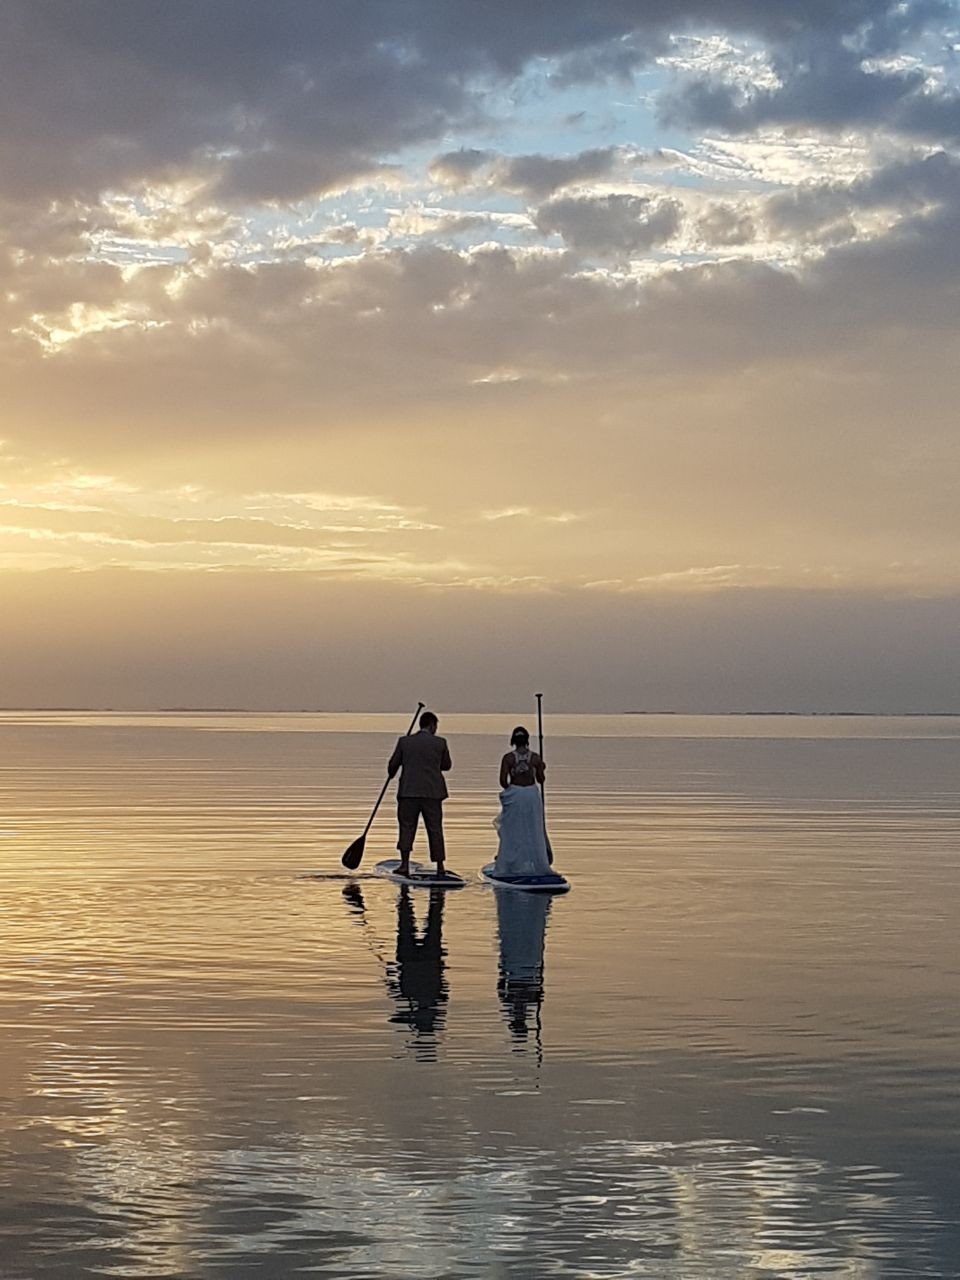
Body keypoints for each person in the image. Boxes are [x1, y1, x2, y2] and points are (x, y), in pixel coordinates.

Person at [387, 710, 452, 877]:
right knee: (435, 829)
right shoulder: (440, 743)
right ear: (432, 725)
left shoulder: (404, 742)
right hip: (432, 793)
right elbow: (446, 766)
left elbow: (392, 767)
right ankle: (440, 867)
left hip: (409, 792)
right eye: (436, 726)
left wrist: (397, 767)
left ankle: (404, 864)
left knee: (407, 827)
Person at [492, 726, 552, 876]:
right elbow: (541, 779)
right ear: (526, 741)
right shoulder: (536, 758)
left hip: (516, 795)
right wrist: (541, 768)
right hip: (531, 795)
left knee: (512, 828)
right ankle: (534, 861)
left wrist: (512, 790)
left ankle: (511, 861)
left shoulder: (508, 758)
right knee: (533, 828)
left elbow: (502, 781)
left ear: (513, 740)